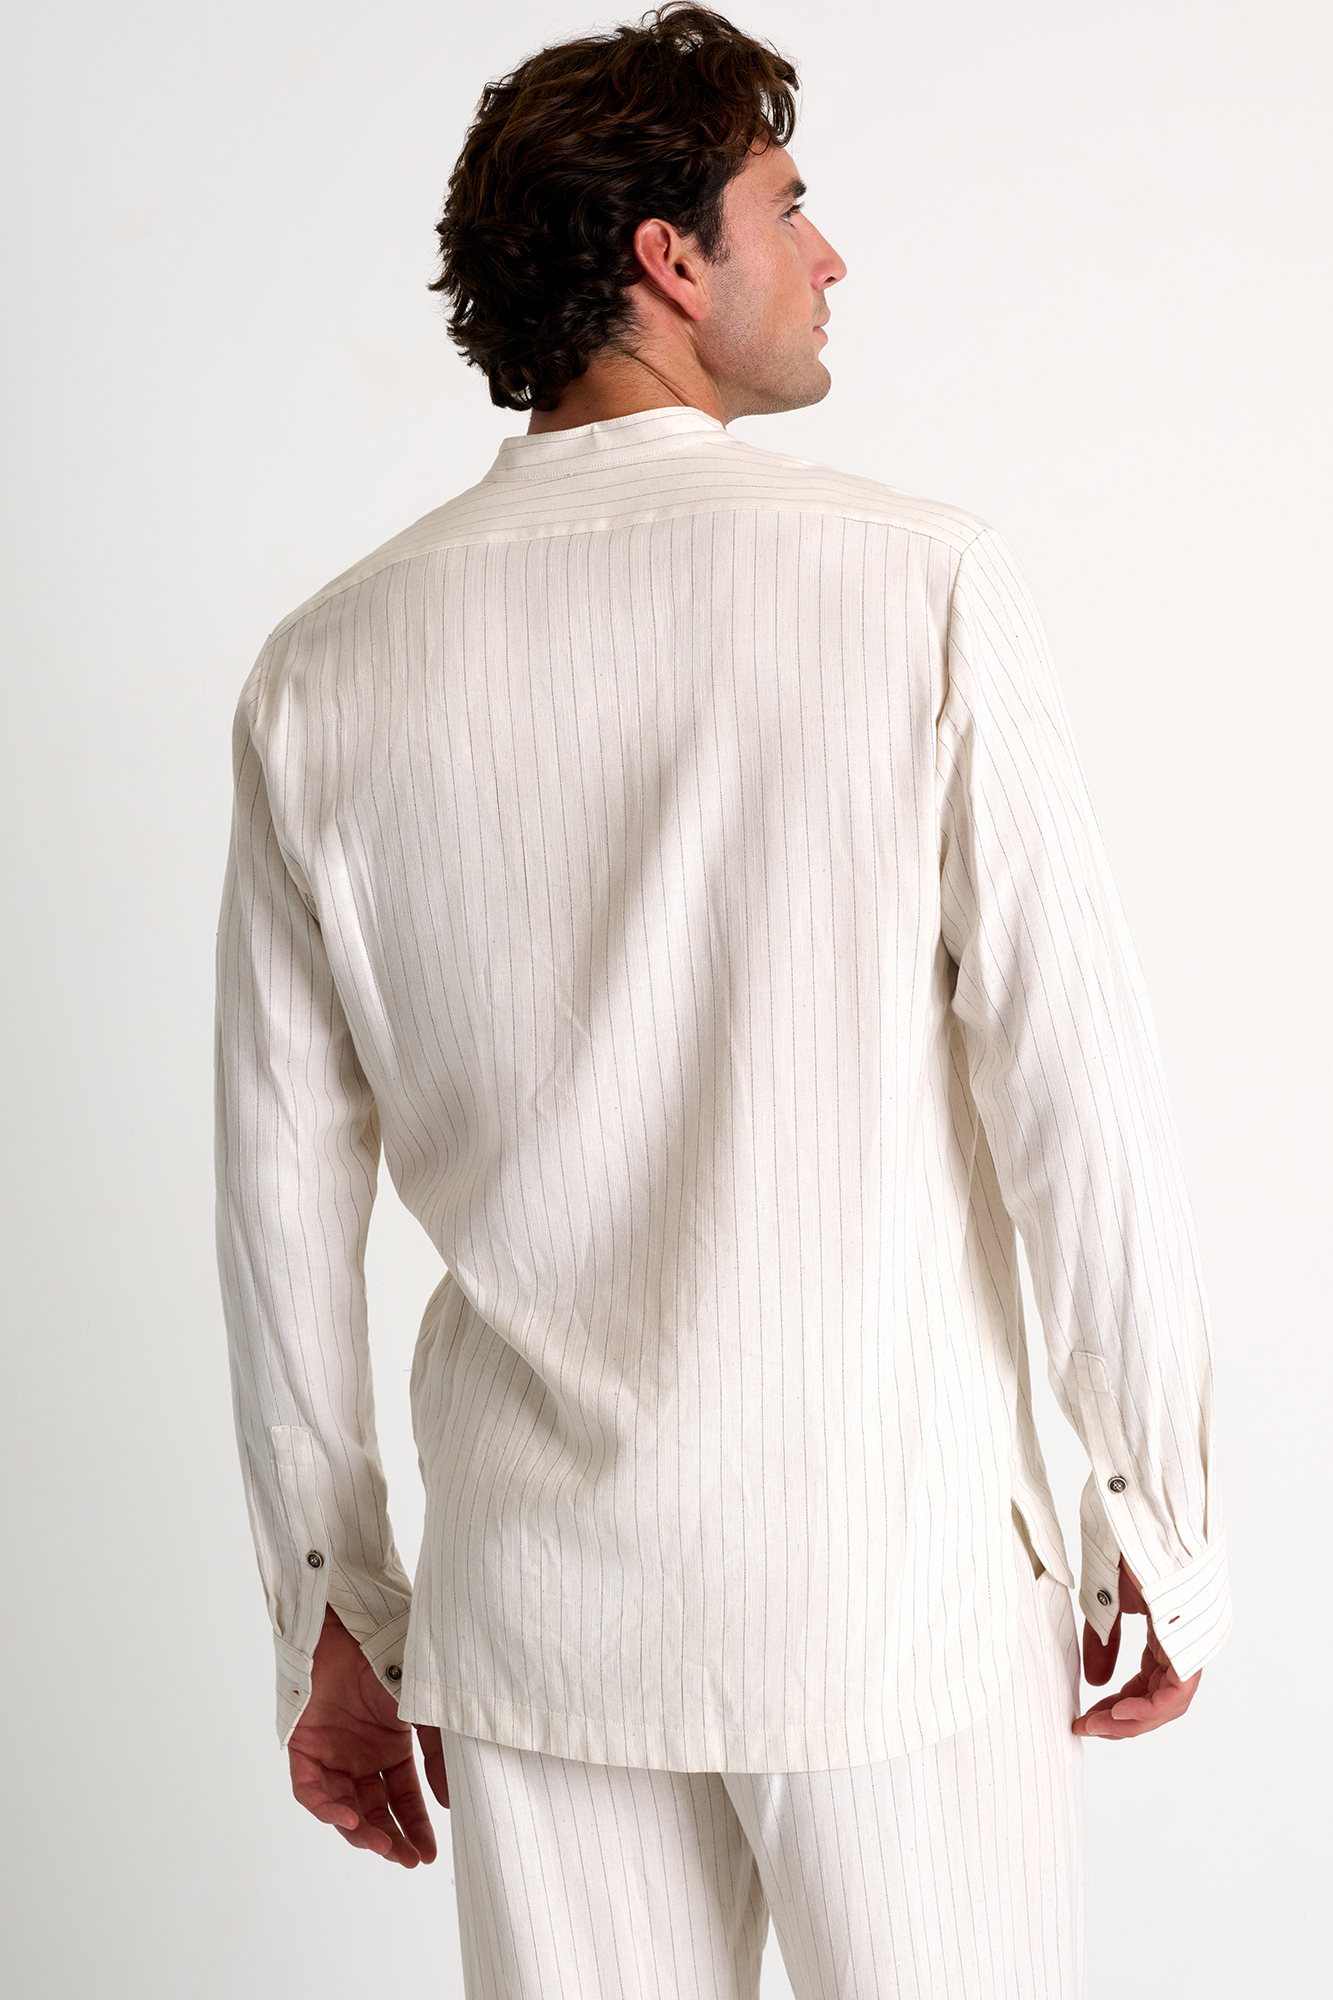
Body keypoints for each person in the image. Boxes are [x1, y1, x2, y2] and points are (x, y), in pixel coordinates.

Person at [214, 7, 1231, 1994]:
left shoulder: (322, 670)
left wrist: (333, 1606)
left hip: (541, 1618)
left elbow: (276, 1200)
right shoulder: (919, 585)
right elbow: (1079, 1100)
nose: (830, 253)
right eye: (788, 204)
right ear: (668, 260)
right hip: (894, 1583)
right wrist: (1160, 1518)